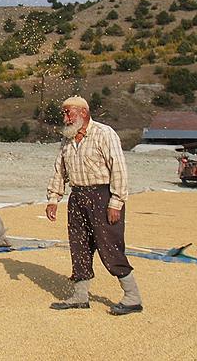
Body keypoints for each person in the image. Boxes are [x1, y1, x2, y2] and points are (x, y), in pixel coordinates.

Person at [45, 96, 143, 315]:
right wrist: (53, 199)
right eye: (64, 113)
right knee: (79, 245)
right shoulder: (68, 140)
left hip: (103, 196)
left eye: (68, 112)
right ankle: (80, 296)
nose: (65, 117)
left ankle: (132, 297)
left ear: (83, 113)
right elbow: (59, 170)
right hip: (78, 197)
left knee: (109, 246)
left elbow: (118, 169)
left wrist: (116, 202)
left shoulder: (104, 133)